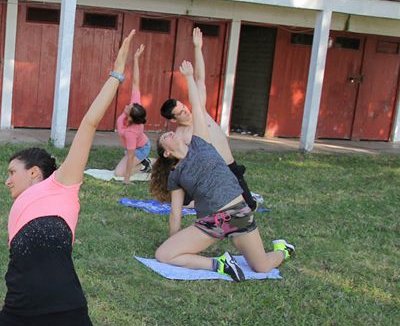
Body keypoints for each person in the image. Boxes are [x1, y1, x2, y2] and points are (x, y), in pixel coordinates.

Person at [0, 31, 218, 326]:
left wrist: (116, 75)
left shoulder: (60, 186)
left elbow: (88, 124)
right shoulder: (18, 211)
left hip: (62, 309)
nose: (7, 180)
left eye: (12, 172)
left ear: (35, 172)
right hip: (20, 311)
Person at [151, 59, 295, 282]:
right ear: (167, 153)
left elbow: (197, 107)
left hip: (237, 213)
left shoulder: (200, 142)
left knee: (262, 267)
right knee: (163, 254)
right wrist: (174, 239)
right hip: (213, 221)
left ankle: (283, 250)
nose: (170, 134)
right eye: (165, 138)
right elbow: (175, 213)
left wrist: (189, 78)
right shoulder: (175, 175)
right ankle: (220, 264)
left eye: (168, 132)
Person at [159, 27, 257, 210]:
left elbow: (200, 79)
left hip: (229, 167)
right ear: (173, 120)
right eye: (180, 113)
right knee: (193, 203)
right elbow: (179, 159)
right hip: (208, 174)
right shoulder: (179, 135)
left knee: (248, 207)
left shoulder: (200, 113)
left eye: (183, 107)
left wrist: (198, 48)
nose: (186, 111)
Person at [113, 43, 152, 184]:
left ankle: (145, 164)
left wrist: (127, 179)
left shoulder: (131, 132)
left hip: (140, 149)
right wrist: (136, 59)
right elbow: (136, 82)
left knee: (119, 173)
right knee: (123, 166)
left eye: (129, 107)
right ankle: (143, 162)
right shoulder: (136, 108)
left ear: (130, 117)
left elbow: (130, 156)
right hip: (133, 146)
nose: (128, 105)